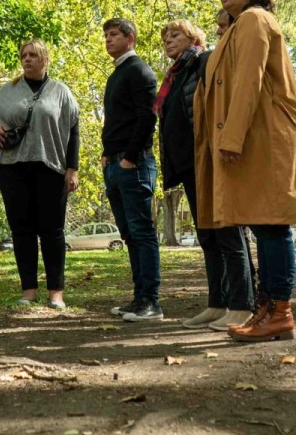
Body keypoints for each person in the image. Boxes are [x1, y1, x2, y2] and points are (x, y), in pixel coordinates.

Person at [194, 0, 296, 342]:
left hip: (266, 136)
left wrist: (231, 138)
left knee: (271, 224)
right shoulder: (241, 25)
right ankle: (267, 309)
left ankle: (279, 312)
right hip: (256, 136)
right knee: (262, 223)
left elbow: (248, 79)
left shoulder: (256, 19)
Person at [156, 20, 254, 330]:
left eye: (175, 35)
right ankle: (218, 303)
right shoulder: (175, 75)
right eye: (165, 37)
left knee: (228, 232)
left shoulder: (206, 60)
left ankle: (243, 305)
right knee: (207, 236)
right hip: (190, 165)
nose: (168, 41)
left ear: (193, 37)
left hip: (214, 160)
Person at [0, 40, 80, 308]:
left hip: (50, 167)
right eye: (23, 55)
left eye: (32, 55)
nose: (26, 59)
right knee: (21, 230)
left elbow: (73, 130)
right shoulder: (10, 90)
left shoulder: (61, 92)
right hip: (12, 167)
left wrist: (72, 169)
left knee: (52, 231)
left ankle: (56, 292)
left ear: (45, 59)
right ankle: (28, 291)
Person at [100, 17, 161, 322]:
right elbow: (116, 120)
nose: (108, 40)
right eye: (106, 36)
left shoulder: (139, 70)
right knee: (129, 235)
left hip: (133, 163)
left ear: (130, 38)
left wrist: (130, 157)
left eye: (114, 35)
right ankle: (139, 299)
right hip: (114, 164)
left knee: (142, 232)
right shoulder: (117, 74)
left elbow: (147, 118)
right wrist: (107, 155)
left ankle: (151, 301)